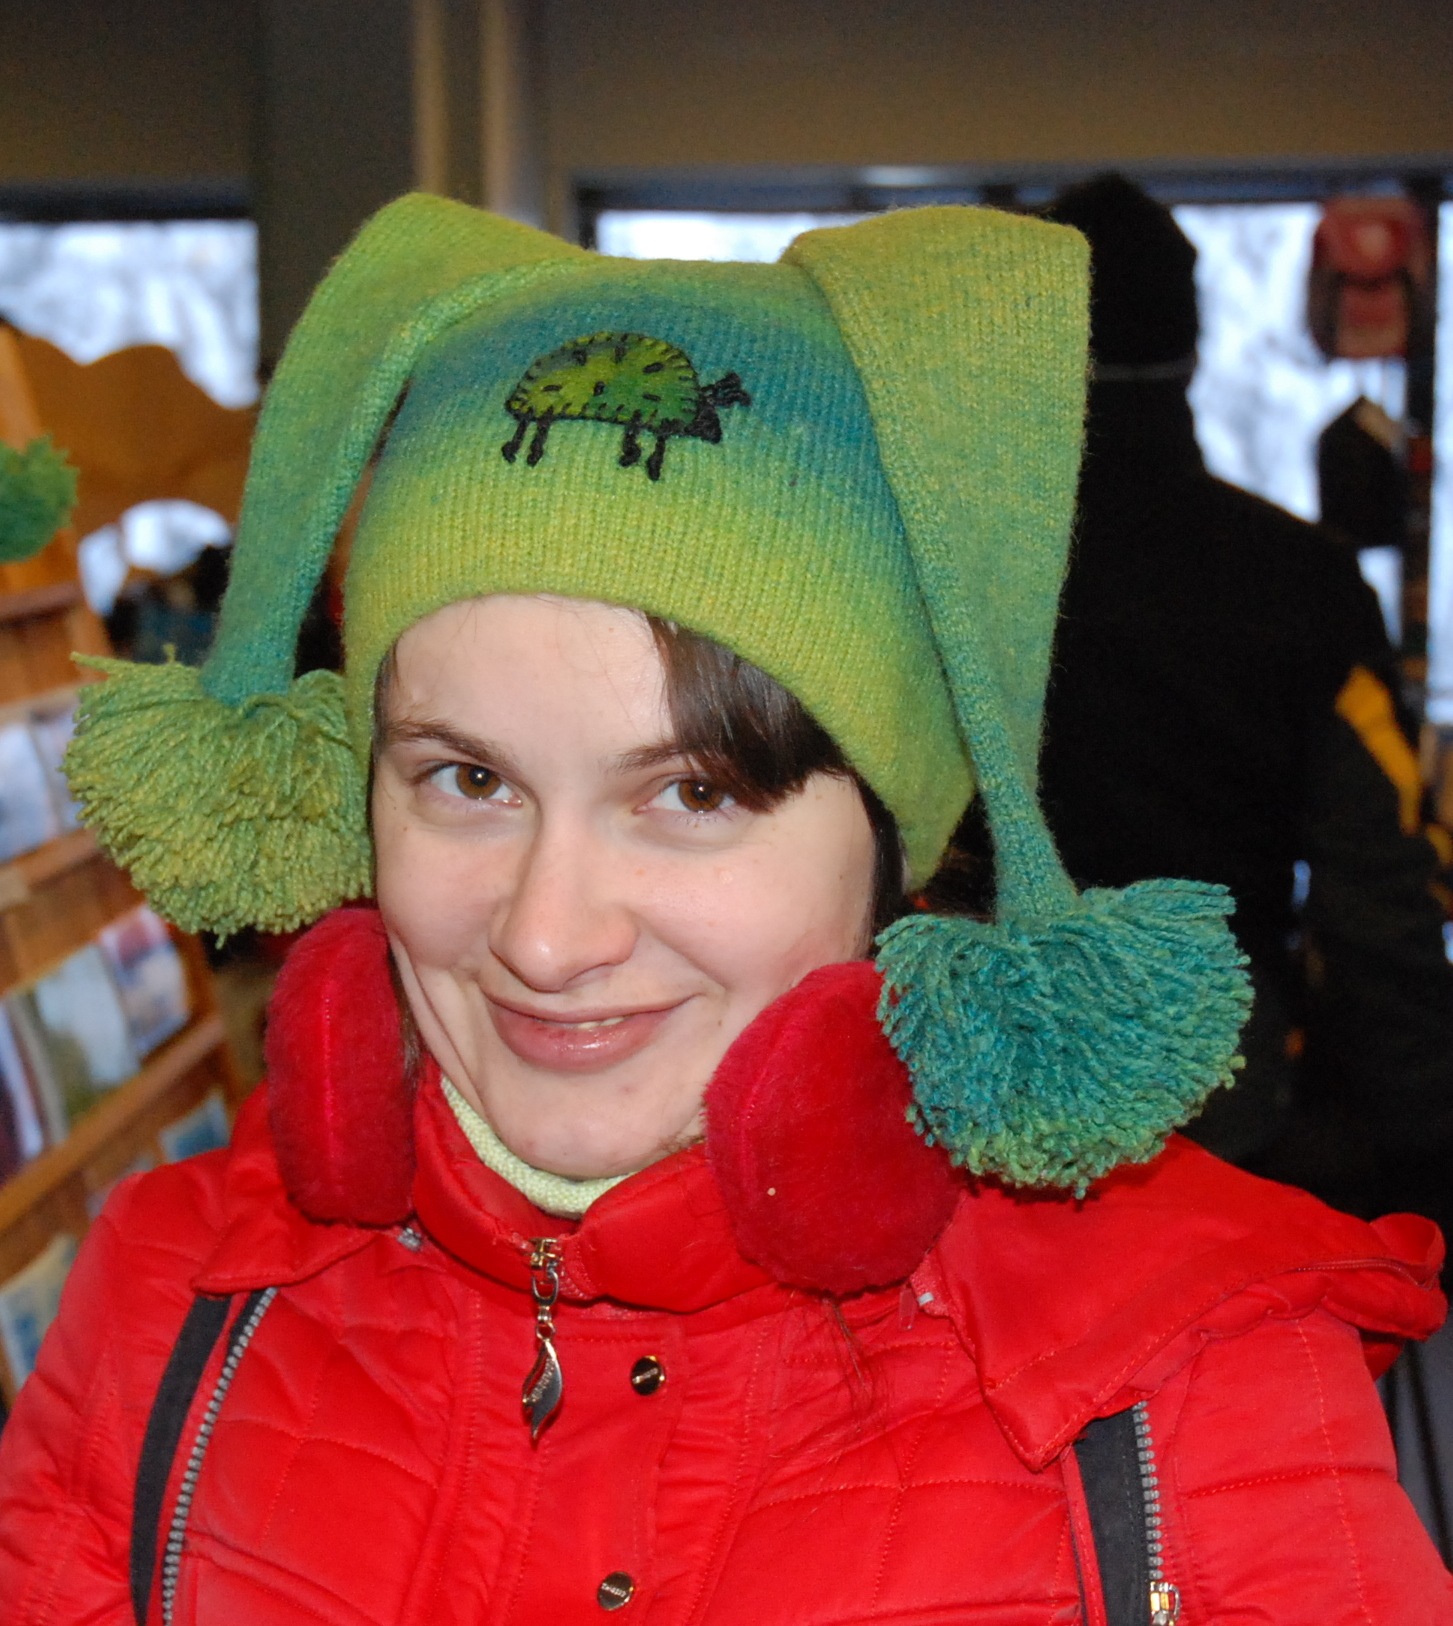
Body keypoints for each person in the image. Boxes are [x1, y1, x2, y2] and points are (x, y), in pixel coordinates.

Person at [0, 195, 1448, 1624]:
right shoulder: (165, 1305)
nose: (545, 938)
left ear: (894, 849)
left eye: (691, 793)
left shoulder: (1198, 1396)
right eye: (466, 778)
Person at [1037, 176, 1453, 1234]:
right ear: (1192, 345)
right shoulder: (1300, 578)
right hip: (1222, 1075)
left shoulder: (958, 572)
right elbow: (1376, 885)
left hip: (994, 1063)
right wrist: (1421, 1144)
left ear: (1029, 346)